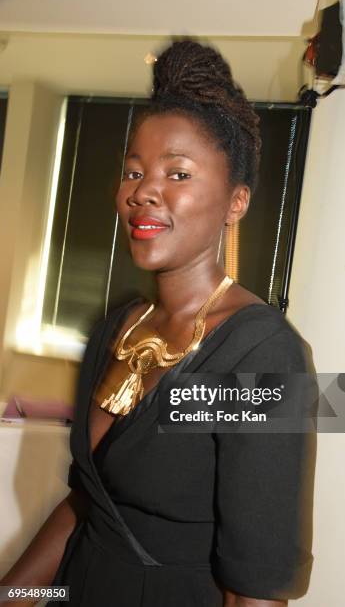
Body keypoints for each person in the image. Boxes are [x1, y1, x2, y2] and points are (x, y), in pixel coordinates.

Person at [0, 39, 317, 606]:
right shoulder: (114, 328)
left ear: (236, 201)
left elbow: (256, 588)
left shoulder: (258, 357)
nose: (143, 190)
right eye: (134, 170)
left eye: (178, 173)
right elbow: (86, 504)